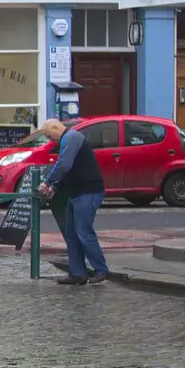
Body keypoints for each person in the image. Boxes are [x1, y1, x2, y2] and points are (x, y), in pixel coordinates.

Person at [38, 119, 109, 285]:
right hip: (78, 193)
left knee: (83, 231)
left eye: (49, 135)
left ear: (56, 127)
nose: (50, 140)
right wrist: (55, 188)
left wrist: (48, 183)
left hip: (88, 192)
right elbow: (68, 169)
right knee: (71, 233)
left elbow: (64, 165)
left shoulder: (71, 138)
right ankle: (78, 273)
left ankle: (101, 270)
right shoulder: (69, 139)